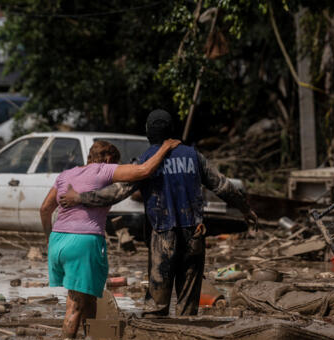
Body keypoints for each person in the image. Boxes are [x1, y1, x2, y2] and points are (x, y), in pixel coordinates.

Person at [60, 109, 258, 317]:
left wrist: (80, 198)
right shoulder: (193, 156)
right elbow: (223, 186)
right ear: (171, 130)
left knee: (156, 303)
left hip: (162, 234)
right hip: (194, 233)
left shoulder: (147, 160)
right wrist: (245, 209)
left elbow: (117, 193)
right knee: (188, 300)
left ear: (148, 133)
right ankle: (187, 339)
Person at [39, 139, 181, 340]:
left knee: (88, 296)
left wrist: (49, 238)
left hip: (58, 241)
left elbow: (45, 209)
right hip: (83, 242)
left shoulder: (66, 174)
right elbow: (143, 171)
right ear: (107, 159)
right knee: (75, 303)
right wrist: (165, 147)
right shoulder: (103, 170)